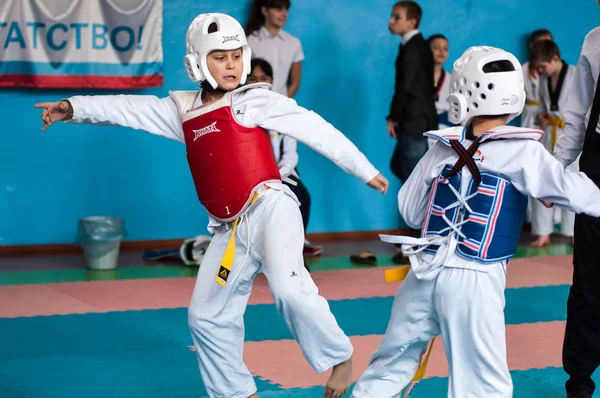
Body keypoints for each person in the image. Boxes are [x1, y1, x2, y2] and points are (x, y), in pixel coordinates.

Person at [35, 13, 389, 398]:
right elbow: (128, 111)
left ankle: (339, 356)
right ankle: (237, 392)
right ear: (197, 62)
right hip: (229, 229)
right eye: (221, 57)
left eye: (237, 55)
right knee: (205, 316)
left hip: (272, 208)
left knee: (289, 290)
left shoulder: (253, 100)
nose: (232, 64)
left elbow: (312, 126)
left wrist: (362, 168)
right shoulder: (182, 111)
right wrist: (73, 107)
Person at [350, 46, 600, 398]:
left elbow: (409, 211)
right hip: (475, 280)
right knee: (482, 384)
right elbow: (577, 195)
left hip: (423, 273)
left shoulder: (441, 147)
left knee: (389, 365)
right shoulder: (523, 151)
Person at [552, 16, 600, 398]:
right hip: (598, 169)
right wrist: (552, 172)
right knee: (588, 278)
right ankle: (579, 380)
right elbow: (577, 116)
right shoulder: (594, 41)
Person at [246, 57, 321, 261]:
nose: (258, 82)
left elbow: (290, 155)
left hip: (281, 173)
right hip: (250, 177)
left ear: (271, 80)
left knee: (302, 197)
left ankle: (296, 252)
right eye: (252, 78)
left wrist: (279, 173)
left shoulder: (283, 110)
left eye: (264, 77)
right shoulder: (239, 112)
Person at [529, 39, 577, 247]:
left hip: (571, 135)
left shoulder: (576, 75)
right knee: (544, 179)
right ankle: (543, 233)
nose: (541, 71)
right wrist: (542, 116)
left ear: (555, 59)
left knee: (573, 183)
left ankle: (573, 232)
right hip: (549, 134)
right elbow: (543, 104)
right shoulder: (544, 80)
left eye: (543, 66)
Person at [246, 0, 303, 98]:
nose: (284, 14)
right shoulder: (249, 42)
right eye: (278, 9)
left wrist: (283, 102)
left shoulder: (293, 43)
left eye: (286, 9)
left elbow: (295, 83)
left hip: (282, 104)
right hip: (254, 103)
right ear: (265, 11)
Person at [428, 33, 451, 148]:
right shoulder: (416, 79)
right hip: (421, 126)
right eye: (436, 48)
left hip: (445, 127)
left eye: (445, 48)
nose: (441, 51)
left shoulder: (452, 80)